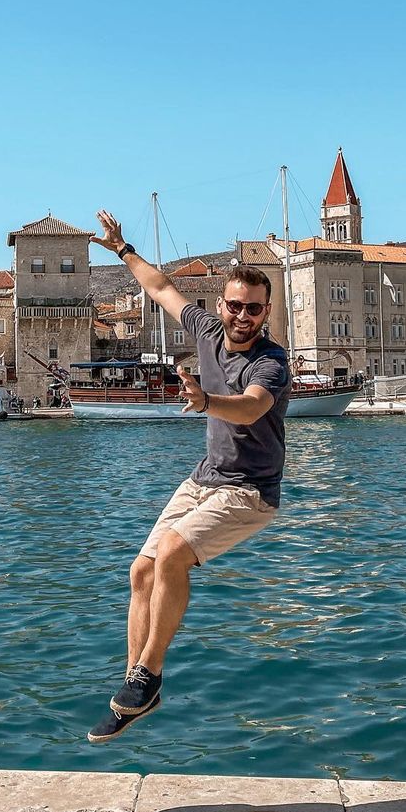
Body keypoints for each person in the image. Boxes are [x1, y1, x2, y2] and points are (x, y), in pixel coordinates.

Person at [86, 210, 291, 744]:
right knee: (141, 572)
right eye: (235, 305)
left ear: (266, 312)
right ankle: (134, 692)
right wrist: (123, 249)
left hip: (250, 492)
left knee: (174, 552)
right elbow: (159, 287)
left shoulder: (271, 362)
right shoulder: (205, 329)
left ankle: (149, 674)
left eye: (253, 308)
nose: (242, 315)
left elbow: (249, 410)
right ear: (221, 304)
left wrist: (205, 401)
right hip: (204, 479)